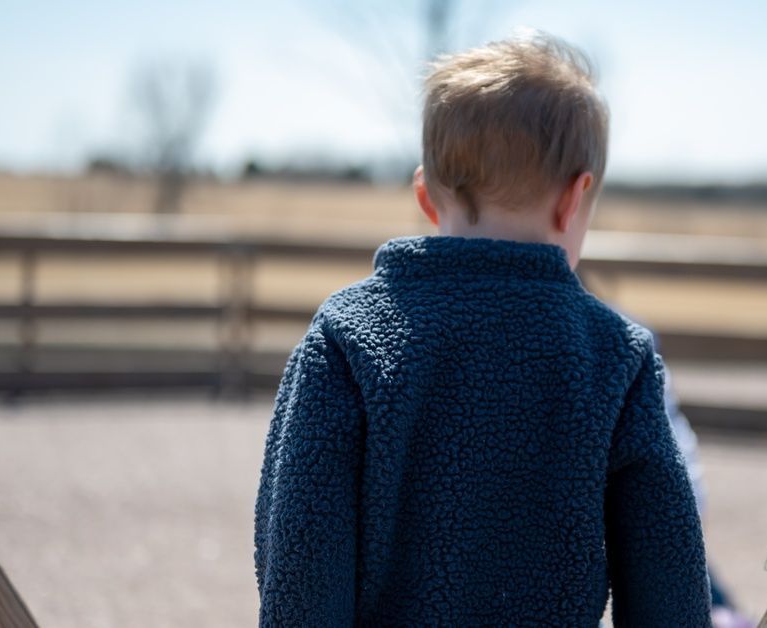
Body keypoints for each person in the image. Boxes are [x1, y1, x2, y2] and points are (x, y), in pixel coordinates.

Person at [254, 33, 710, 627]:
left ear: (425, 194)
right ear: (576, 199)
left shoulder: (348, 337)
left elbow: (300, 563)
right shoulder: (614, 356)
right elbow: (668, 580)